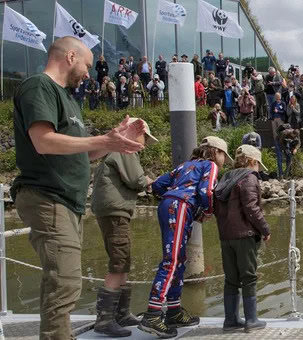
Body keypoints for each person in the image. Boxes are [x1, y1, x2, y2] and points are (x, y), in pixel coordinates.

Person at [10, 37, 147, 340]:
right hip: (48, 196)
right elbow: (43, 141)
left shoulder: (69, 99)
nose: (89, 73)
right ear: (70, 56)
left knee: (66, 280)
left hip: (67, 201)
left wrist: (115, 140)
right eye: (87, 65)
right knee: (66, 281)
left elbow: (81, 153)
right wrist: (104, 141)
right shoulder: (39, 86)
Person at [140, 136, 230, 338]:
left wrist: (174, 194)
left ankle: (173, 310)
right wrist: (207, 212)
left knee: (178, 260)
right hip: (181, 208)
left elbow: (157, 185)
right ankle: (153, 314)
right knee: (172, 261)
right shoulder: (210, 165)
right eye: (224, 154)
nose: (224, 160)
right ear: (216, 152)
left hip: (168, 205)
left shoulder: (184, 166)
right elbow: (206, 191)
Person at [91, 118, 158, 337]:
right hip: (115, 211)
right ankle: (105, 320)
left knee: (124, 260)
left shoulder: (114, 150)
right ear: (137, 132)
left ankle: (121, 313)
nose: (146, 143)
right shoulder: (125, 149)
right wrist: (150, 180)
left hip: (110, 210)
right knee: (119, 261)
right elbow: (137, 180)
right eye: (145, 137)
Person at [213, 145, 271, 333]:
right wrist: (265, 229)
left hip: (226, 235)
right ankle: (251, 320)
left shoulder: (226, 177)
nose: (258, 170)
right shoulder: (249, 178)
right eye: (258, 166)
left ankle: (230, 320)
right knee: (249, 277)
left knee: (231, 279)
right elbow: (251, 208)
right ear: (252, 162)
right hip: (244, 235)